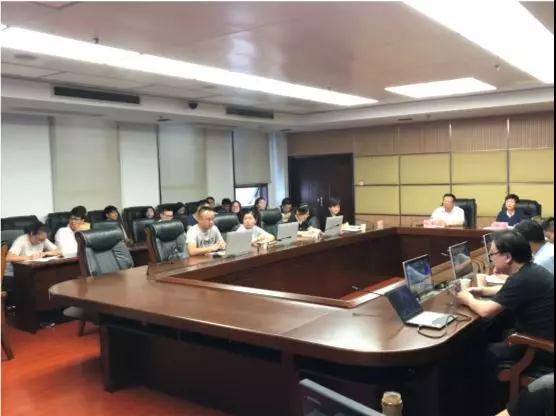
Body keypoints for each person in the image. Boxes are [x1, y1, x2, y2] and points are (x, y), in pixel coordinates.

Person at [457, 231, 554, 413]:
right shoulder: (530, 271)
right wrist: (482, 291)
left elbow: (486, 311)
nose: (490, 258)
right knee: (496, 333)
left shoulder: (522, 279)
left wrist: (467, 299)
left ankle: (490, 407)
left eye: (492, 254)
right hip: (544, 336)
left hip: (542, 350)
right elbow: (511, 290)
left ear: (508, 257)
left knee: (481, 352)